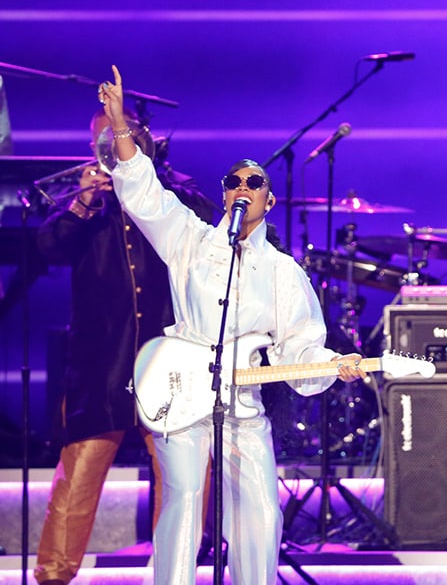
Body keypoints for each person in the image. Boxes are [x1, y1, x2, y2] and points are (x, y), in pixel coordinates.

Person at [97, 65, 366, 584]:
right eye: (234, 181)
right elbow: (145, 197)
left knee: (262, 514)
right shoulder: (191, 241)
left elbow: (301, 351)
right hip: (183, 396)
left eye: (254, 181)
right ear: (225, 195)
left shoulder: (284, 274)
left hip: (243, 406)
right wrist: (120, 128)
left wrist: (335, 366)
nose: (243, 187)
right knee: (183, 505)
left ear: (268, 198)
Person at [33, 107, 216, 585]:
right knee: (78, 479)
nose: (115, 147)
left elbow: (207, 223)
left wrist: (154, 178)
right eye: (106, 140)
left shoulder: (166, 195)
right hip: (101, 365)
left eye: (124, 137)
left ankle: (173, 574)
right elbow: (50, 247)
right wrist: (85, 203)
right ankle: (53, 576)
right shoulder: (87, 203)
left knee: (184, 477)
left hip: (169, 360)